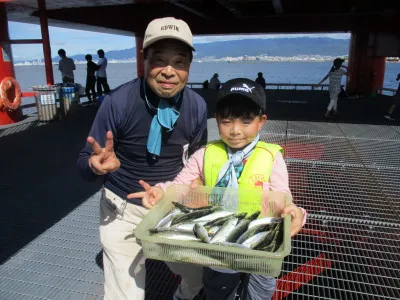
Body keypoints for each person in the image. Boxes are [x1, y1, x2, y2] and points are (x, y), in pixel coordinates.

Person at [130, 78, 307, 300]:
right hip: (218, 249)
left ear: (261, 122)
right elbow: (180, 184)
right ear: (217, 120)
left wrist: (294, 211)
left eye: (246, 121)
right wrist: (161, 191)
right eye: (226, 121)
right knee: (219, 291)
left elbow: (284, 197)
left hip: (261, 248)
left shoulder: (272, 157)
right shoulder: (205, 153)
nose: (235, 130)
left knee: (260, 292)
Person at [77, 17, 208, 300]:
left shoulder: (197, 107)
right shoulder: (118, 102)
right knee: (124, 294)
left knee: (194, 274)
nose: (169, 71)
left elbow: (198, 161)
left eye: (180, 62)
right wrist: (95, 166)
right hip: (121, 206)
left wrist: (194, 184)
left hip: (170, 202)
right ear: (143, 58)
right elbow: (84, 164)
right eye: (159, 60)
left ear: (189, 65)